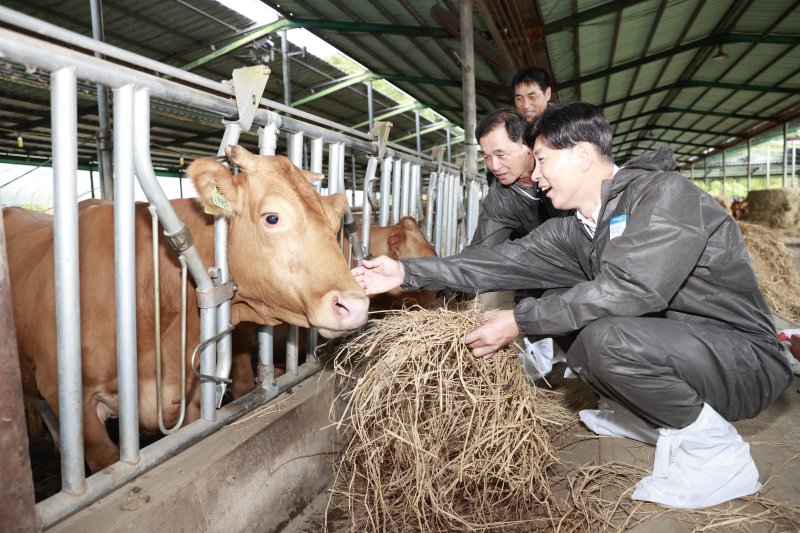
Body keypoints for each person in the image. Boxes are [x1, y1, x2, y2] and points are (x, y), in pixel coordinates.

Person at [352, 101, 793, 509]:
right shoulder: (575, 228)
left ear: (582, 155)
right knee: (570, 317)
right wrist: (408, 272)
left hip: (744, 361)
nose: (536, 175)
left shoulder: (663, 196)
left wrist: (519, 319)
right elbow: (502, 260)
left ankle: (716, 452)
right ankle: (650, 415)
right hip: (682, 348)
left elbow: (631, 289)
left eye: (542, 159)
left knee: (603, 335)